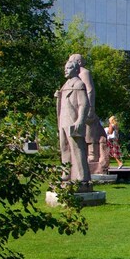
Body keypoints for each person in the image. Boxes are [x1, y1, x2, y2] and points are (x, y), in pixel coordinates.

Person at [55, 57, 91, 191]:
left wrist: (80, 120)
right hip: (63, 121)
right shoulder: (65, 85)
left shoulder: (79, 84)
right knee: (64, 149)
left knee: (77, 149)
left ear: (76, 70)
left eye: (69, 68)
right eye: (65, 68)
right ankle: (66, 173)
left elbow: (83, 104)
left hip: (72, 121)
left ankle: (82, 176)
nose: (65, 70)